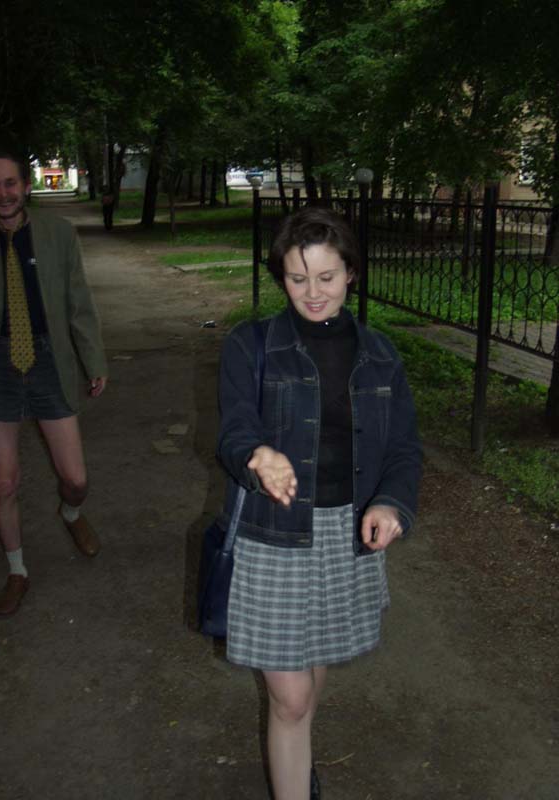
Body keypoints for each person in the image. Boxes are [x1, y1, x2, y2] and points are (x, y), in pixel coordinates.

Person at [217, 206, 422, 800]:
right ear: (281, 277)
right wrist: (257, 454)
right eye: (297, 277)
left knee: (314, 669)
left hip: (344, 535)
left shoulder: (380, 354)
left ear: (351, 272)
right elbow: (233, 432)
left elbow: (404, 448)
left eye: (327, 277)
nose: (312, 292)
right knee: (292, 697)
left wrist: (390, 504)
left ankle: (296, 753)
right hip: (272, 535)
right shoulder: (251, 345)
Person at [0, 146, 108, 616]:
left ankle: (71, 512)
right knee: (4, 483)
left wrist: (93, 358)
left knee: (76, 478)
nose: (2, 193)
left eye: (10, 183)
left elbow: (78, 301)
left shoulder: (57, 233)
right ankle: (17, 571)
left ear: (26, 186)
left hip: (47, 360)